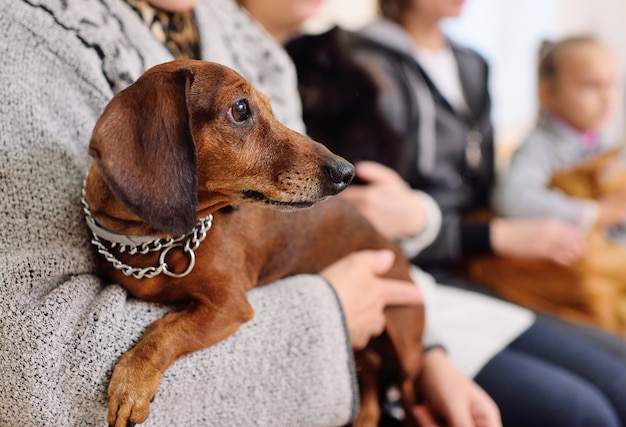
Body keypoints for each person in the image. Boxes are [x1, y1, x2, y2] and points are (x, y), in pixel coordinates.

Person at [0, 0, 429, 426]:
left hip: (384, 304)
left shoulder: (248, 36)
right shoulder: (30, 36)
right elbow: (33, 375)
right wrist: (323, 317)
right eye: (241, 113)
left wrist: (432, 358)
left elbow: (366, 261)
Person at [253, 0, 626, 425]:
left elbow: (481, 191)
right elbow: (370, 210)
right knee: (583, 410)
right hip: (416, 265)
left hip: (472, 263)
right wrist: (485, 234)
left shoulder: (472, 64)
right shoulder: (351, 61)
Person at [493, 37, 626, 234]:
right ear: (548, 93)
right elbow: (511, 199)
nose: (607, 98)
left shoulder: (606, 146)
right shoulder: (539, 147)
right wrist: (594, 213)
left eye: (611, 85)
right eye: (592, 85)